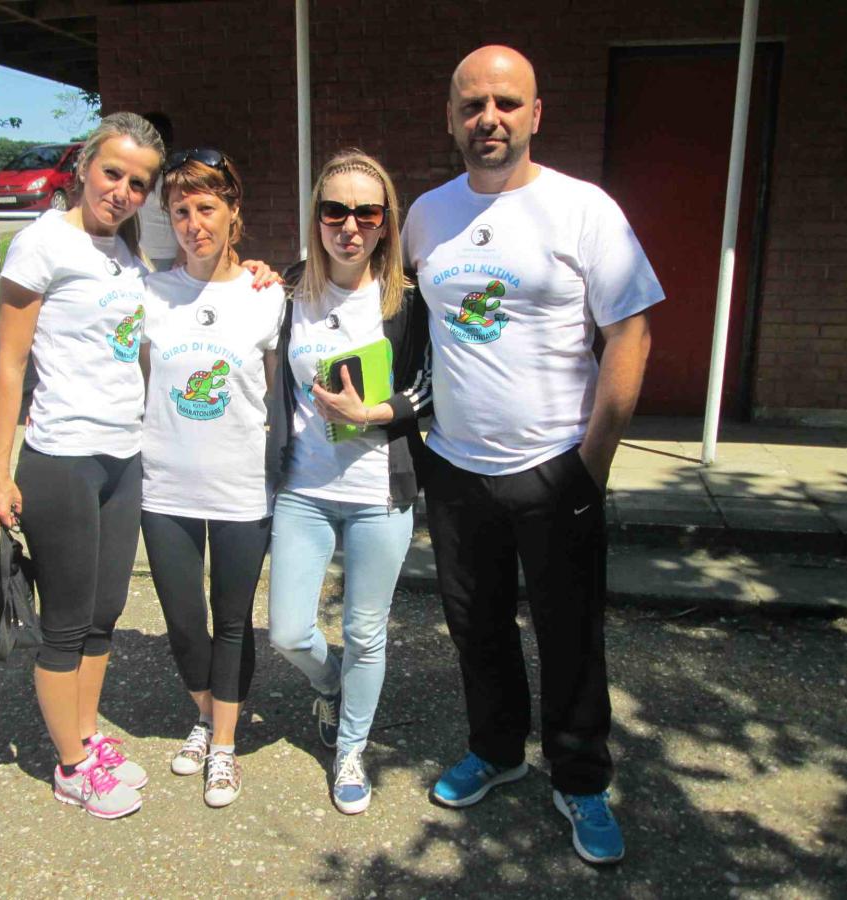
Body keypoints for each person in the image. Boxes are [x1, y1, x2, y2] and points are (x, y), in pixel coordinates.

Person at [402, 46, 664, 863]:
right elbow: (378, 295)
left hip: (556, 467)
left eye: (507, 103)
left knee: (570, 636)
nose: (490, 118)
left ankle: (580, 780)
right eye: (473, 104)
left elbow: (631, 335)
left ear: (536, 114)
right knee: (476, 627)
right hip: (455, 467)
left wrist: (593, 462)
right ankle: (498, 751)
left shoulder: (583, 209)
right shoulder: (426, 215)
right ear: (451, 119)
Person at [0, 112, 163, 820]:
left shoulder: (128, 255)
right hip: (62, 458)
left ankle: (87, 737)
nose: (122, 192)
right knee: (64, 622)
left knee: (103, 613)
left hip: (123, 455)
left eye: (138, 183)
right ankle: (71, 768)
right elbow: (10, 364)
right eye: (112, 173)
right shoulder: (41, 243)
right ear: (84, 167)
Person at [266, 150, 430, 815]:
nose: (350, 226)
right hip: (303, 488)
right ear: (317, 218)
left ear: (386, 222)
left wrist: (371, 414)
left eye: (367, 213)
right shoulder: (286, 290)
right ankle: (332, 684)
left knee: (366, 632)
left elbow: (431, 388)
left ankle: (352, 748)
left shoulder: (408, 299)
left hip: (377, 492)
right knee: (286, 631)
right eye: (335, 211)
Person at [138, 149, 285, 808]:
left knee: (232, 620)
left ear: (232, 212)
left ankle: (222, 743)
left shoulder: (265, 295)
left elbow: (278, 393)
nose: (194, 224)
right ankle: (205, 713)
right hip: (164, 485)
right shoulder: (150, 294)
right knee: (182, 620)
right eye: (180, 211)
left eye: (206, 208)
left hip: (240, 485)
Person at [137, 113, 181, 271]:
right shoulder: (134, 175)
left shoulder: (176, 176)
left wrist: (183, 253)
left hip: (172, 256)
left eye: (165, 141)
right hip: (138, 255)